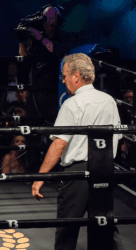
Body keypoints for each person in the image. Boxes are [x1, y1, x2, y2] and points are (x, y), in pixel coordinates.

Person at [31, 53, 124, 250]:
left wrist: (40, 177)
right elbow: (116, 138)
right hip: (105, 169)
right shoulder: (109, 101)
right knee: (102, 225)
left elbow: (59, 144)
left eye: (64, 76)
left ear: (76, 76)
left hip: (78, 172)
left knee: (67, 227)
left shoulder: (72, 104)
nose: (63, 81)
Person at [18, 4, 76, 122]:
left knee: (53, 124)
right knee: (32, 123)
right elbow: (24, 58)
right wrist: (22, 40)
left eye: (52, 21)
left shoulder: (63, 37)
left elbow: (56, 49)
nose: (49, 24)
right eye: (46, 20)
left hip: (53, 90)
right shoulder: (36, 37)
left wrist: (40, 38)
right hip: (34, 88)